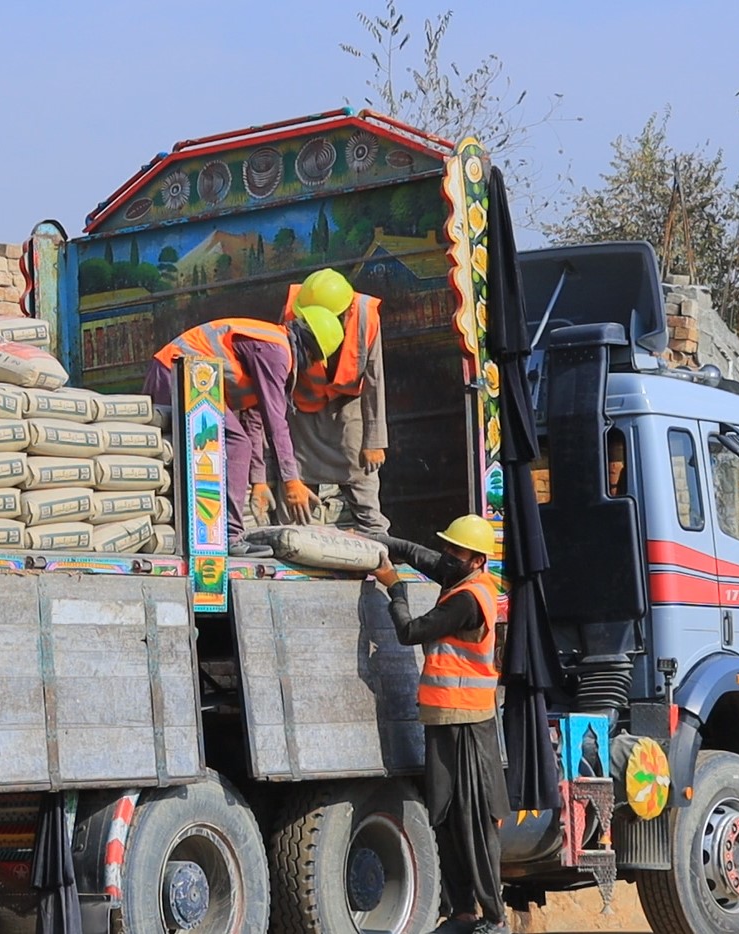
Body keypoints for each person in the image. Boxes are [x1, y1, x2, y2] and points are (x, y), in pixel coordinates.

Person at [370, 516, 508, 934]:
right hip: (444, 719)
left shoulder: (469, 600)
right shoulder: (462, 579)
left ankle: (494, 917)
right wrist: (383, 541)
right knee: (444, 815)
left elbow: (412, 631)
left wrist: (393, 586)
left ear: (476, 560)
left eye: (456, 552)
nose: (447, 556)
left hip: (467, 723)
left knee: (473, 819)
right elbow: (420, 555)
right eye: (447, 548)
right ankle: (461, 912)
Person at [145, 310, 343, 554]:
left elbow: (255, 419)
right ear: (309, 348)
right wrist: (291, 480)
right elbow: (275, 420)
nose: (311, 367)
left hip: (190, 372)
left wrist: (258, 481)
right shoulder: (276, 351)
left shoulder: (273, 347)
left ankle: (224, 533)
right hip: (180, 370)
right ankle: (229, 535)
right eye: (314, 360)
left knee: (237, 441)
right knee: (234, 443)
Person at [282, 269, 390, 534]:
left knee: (361, 471)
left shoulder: (365, 316)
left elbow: (375, 379)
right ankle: (294, 544)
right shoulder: (295, 311)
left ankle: (378, 543)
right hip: (303, 407)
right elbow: (282, 376)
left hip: (347, 401)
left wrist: (374, 441)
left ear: (343, 313)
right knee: (294, 479)